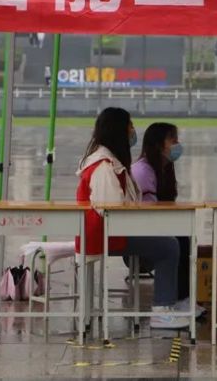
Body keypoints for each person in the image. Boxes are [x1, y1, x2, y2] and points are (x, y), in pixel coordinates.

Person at [74, 107, 189, 330]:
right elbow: (112, 211)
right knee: (169, 246)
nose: (133, 131)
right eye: (130, 126)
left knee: (173, 241)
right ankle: (162, 309)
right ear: (119, 130)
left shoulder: (108, 162)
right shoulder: (104, 167)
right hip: (106, 236)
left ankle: (172, 303)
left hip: (108, 233)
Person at [130, 123, 204, 318]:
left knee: (184, 235)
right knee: (178, 240)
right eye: (173, 140)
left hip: (154, 229)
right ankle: (174, 301)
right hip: (137, 234)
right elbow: (152, 213)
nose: (177, 145)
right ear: (157, 145)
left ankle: (183, 297)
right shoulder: (141, 171)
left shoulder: (164, 169)